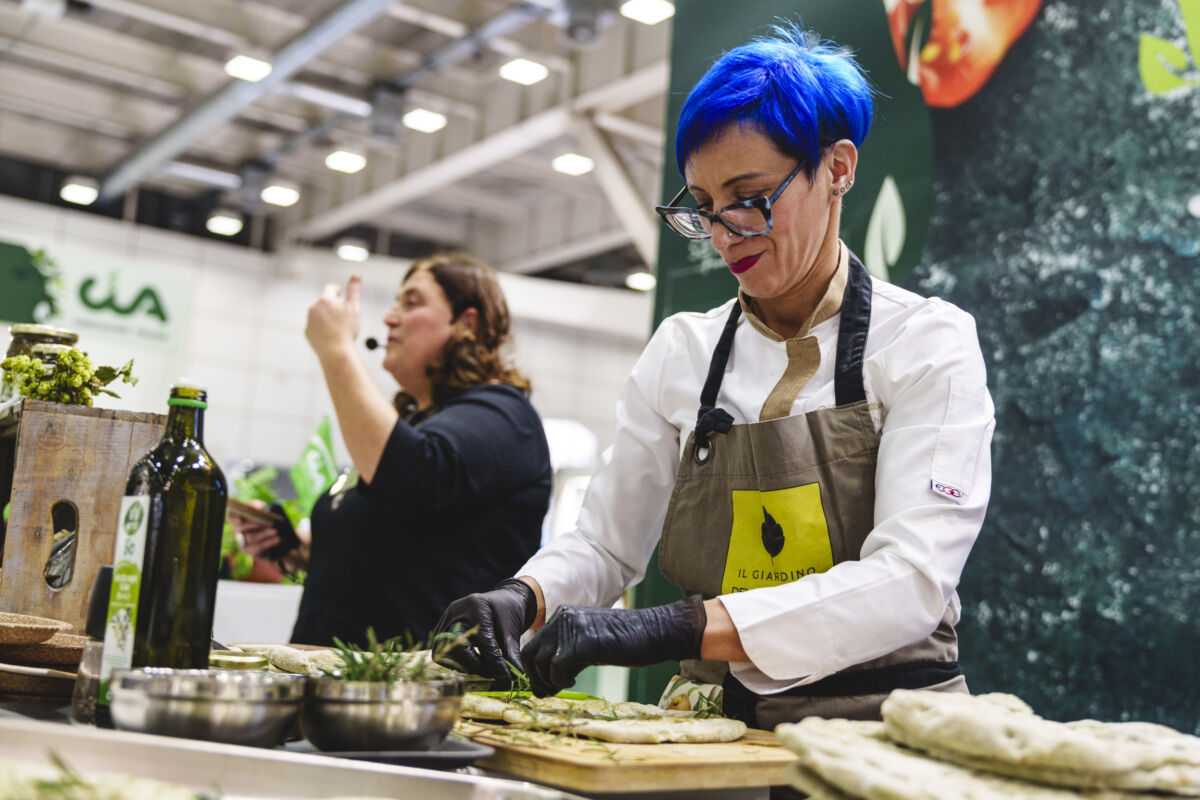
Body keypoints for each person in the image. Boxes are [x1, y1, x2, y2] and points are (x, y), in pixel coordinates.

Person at [434, 24, 995, 729]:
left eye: (749, 197)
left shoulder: (924, 343)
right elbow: (606, 543)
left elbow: (910, 581)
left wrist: (675, 626)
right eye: (703, 207)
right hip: (712, 728)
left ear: (838, 169)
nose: (726, 234)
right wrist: (524, 595)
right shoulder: (683, 352)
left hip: (883, 730)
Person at [231, 253, 552, 647]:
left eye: (411, 303)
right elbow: (392, 557)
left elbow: (410, 477)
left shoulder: (504, 415)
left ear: (466, 323)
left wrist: (336, 348)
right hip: (344, 673)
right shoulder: (419, 424)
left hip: (422, 679)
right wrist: (294, 546)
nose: (389, 318)